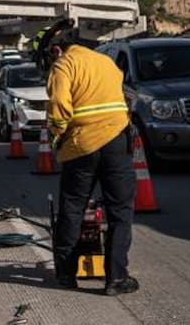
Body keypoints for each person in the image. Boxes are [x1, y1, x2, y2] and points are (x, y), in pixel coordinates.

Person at [43, 18, 138, 296]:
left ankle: (66, 274)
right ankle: (116, 279)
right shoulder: (106, 62)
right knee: (119, 212)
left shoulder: (64, 65)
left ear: (57, 49)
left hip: (81, 146)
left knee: (72, 209)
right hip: (116, 141)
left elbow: (59, 106)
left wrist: (56, 135)